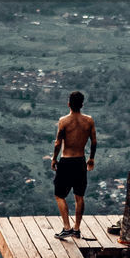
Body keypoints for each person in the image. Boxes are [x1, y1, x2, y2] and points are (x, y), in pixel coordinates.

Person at [51, 90, 96, 239]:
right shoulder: (89, 121)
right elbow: (94, 142)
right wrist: (91, 159)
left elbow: (58, 143)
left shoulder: (63, 121)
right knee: (79, 196)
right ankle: (77, 229)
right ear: (82, 105)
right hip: (80, 161)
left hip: (66, 161)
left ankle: (67, 227)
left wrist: (54, 158)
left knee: (59, 195)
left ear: (69, 104)